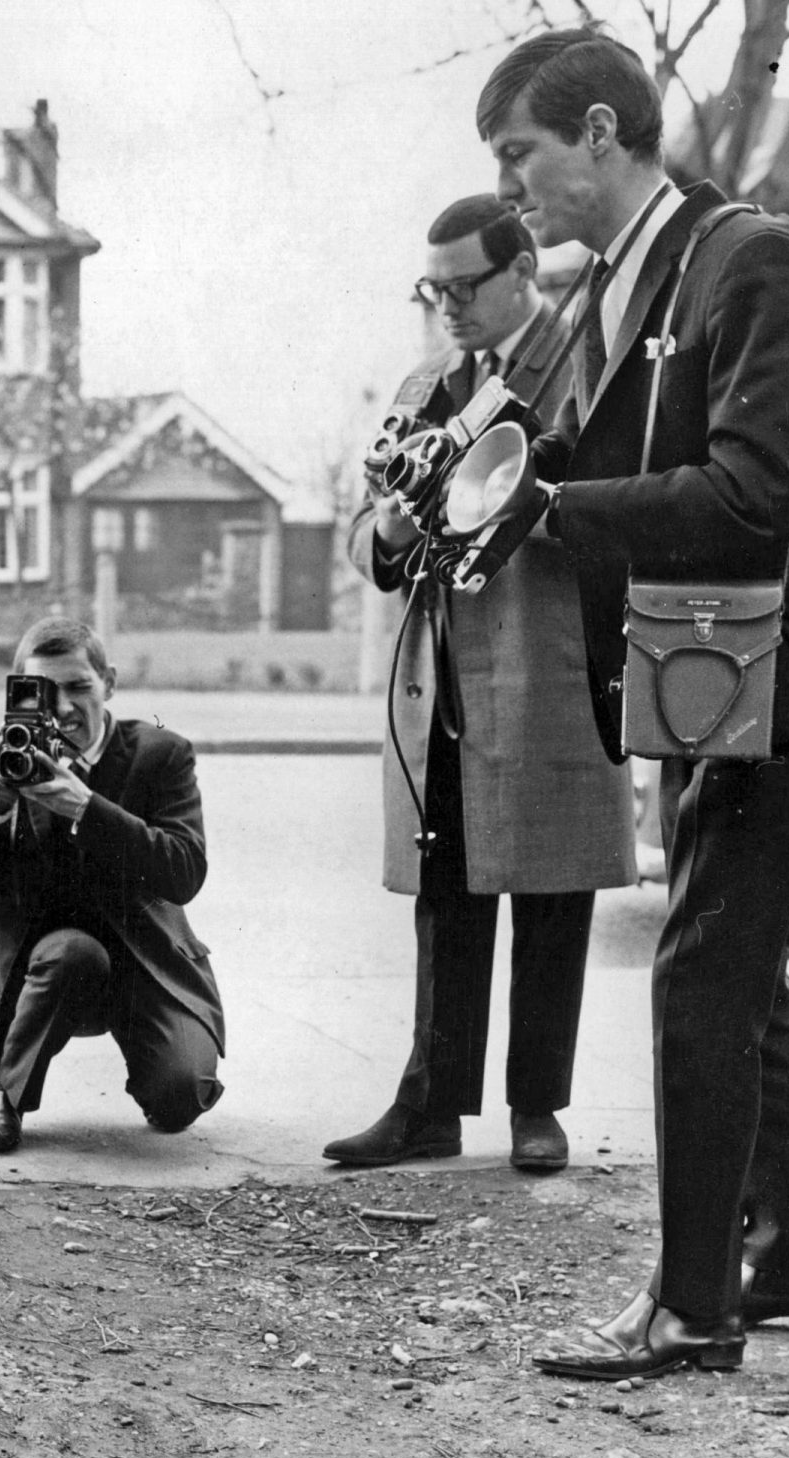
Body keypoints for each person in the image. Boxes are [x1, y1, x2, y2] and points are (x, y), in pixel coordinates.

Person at [478, 26, 789, 1379]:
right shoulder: (640, 274)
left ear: (600, 130)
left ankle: (693, 1306)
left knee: (703, 973)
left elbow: (755, 491)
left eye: (522, 153)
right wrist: (488, 481)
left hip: (783, 680)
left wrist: (558, 509)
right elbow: (603, 449)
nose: (514, 186)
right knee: (740, 967)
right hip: (716, 675)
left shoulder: (750, 255)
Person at [325, 195, 636, 1174]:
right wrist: (397, 523)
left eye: (465, 287)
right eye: (434, 289)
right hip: (443, 669)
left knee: (553, 884)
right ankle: (431, 1102)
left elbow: (617, 504)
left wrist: (525, 501)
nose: (448, 306)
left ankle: (535, 1106)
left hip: (547, 655)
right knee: (444, 883)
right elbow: (366, 542)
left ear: (521, 272)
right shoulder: (425, 382)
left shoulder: (586, 365)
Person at [0, 617, 223, 1153]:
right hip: (55, 972)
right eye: (44, 692)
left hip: (150, 967)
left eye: (79, 687)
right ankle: (5, 1096)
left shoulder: (160, 755)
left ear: (109, 684)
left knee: (180, 1099)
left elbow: (184, 872)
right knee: (72, 952)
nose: (63, 707)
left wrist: (86, 808)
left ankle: (160, 1069)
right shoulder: (2, 763)